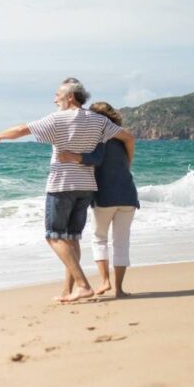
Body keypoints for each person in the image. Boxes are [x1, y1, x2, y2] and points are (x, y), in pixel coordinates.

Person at [0, 78, 127, 303]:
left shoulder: (58, 119)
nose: (54, 99)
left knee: (53, 236)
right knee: (71, 238)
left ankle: (82, 285)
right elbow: (126, 136)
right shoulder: (99, 121)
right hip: (86, 187)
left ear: (70, 97)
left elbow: (23, 130)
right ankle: (68, 290)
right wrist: (127, 164)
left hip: (62, 185)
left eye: (57, 95)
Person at [60, 102, 138, 298]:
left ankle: (105, 282)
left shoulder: (97, 137)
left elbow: (95, 159)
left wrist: (72, 156)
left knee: (99, 239)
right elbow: (126, 153)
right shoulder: (120, 138)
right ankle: (119, 289)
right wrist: (128, 163)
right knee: (122, 242)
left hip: (105, 196)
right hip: (128, 195)